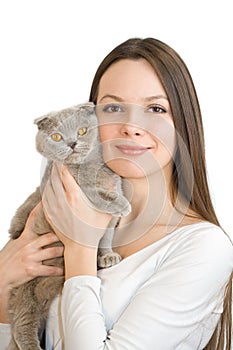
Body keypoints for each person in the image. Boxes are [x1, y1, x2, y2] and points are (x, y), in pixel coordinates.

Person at [0, 37, 232, 349]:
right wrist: (3, 285)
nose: (131, 126)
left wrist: (80, 247)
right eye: (113, 107)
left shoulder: (204, 247)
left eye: (155, 108)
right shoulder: (63, 214)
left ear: (183, 123)